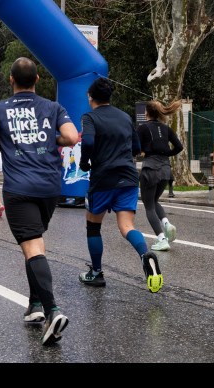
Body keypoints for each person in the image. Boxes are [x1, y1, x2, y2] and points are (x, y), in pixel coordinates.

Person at [0, 57, 79, 346]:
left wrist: (1, 137)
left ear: (11, 80)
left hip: (20, 188)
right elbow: (71, 136)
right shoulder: (52, 107)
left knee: (32, 246)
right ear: (36, 80)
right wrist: (52, 140)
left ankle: (52, 310)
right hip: (49, 187)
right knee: (34, 244)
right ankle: (34, 305)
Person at [77, 77, 163, 292]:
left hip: (103, 178)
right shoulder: (125, 117)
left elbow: (87, 142)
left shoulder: (90, 117)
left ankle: (96, 272)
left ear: (91, 97)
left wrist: (84, 162)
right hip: (128, 177)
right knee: (126, 226)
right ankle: (146, 255)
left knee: (93, 226)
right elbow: (136, 146)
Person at [137, 99, 183, 251]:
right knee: (155, 200)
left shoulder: (142, 128)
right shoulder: (166, 128)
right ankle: (166, 224)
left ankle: (162, 239)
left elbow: (135, 148)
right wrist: (166, 154)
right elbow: (179, 147)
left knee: (148, 205)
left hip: (150, 168)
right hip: (165, 169)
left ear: (147, 113)